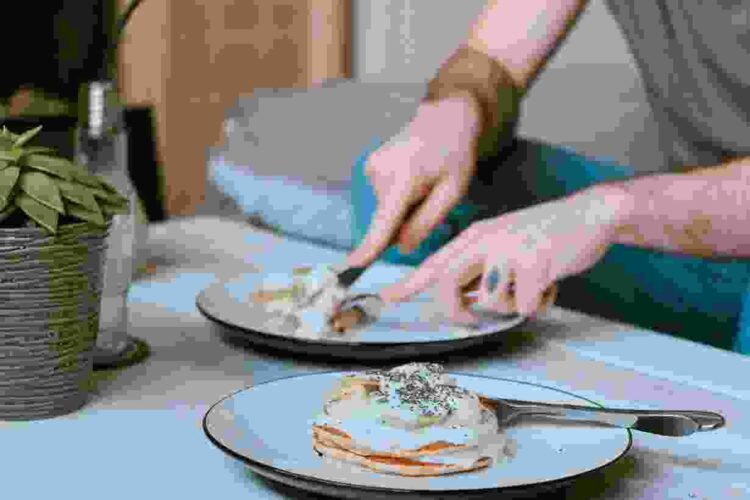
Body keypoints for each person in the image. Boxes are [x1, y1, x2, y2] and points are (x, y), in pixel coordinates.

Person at [344, 0, 750, 353]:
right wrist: (457, 110)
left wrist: (605, 213)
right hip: (692, 253)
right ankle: (417, 397)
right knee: (411, 190)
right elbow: (492, 59)